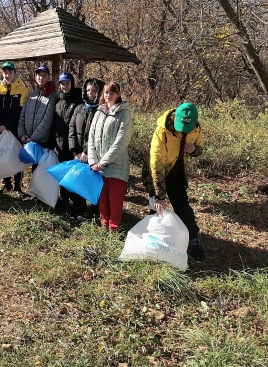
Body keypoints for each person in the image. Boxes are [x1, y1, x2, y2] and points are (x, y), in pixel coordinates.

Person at [141, 102, 206, 261]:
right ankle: (152, 242)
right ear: (176, 118)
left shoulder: (196, 127)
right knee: (155, 208)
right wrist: (159, 196)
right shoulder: (162, 131)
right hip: (156, 172)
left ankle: (193, 240)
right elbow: (156, 165)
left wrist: (195, 151)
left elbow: (200, 147)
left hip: (177, 174)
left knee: (183, 209)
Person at [88, 82, 133, 232]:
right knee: (103, 199)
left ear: (118, 94)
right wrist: (93, 161)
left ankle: (114, 230)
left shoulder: (124, 113)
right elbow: (92, 138)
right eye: (106, 92)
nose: (108, 95)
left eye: (112, 92)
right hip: (99, 165)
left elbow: (121, 141)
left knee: (115, 199)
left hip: (117, 164)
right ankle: (104, 226)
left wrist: (104, 161)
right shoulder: (99, 112)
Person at [68, 78, 104, 218]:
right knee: (78, 182)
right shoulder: (79, 108)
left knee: (94, 183)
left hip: (94, 155)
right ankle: (79, 209)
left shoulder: (101, 111)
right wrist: (75, 151)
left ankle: (95, 211)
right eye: (88, 90)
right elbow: (71, 129)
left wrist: (86, 151)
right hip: (78, 154)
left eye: (94, 91)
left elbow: (97, 134)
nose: (91, 93)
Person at [0, 61, 29, 193]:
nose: (7, 75)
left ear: (14, 72)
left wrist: (8, 126)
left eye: (10, 72)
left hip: (15, 128)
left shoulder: (22, 90)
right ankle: (6, 183)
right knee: (3, 155)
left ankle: (18, 186)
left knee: (16, 156)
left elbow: (20, 112)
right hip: (0, 129)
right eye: (5, 72)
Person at [53, 72, 83, 210]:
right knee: (63, 174)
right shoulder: (57, 102)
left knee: (74, 176)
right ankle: (64, 199)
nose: (65, 86)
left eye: (67, 83)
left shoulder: (78, 101)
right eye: (62, 83)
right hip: (59, 146)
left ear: (72, 84)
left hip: (73, 147)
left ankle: (77, 203)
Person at [18, 65, 57, 151]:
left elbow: (47, 120)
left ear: (48, 77)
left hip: (42, 142)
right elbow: (22, 116)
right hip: (27, 139)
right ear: (35, 77)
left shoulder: (52, 95)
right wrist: (22, 134)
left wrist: (33, 138)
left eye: (44, 75)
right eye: (39, 75)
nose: (41, 78)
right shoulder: (31, 95)